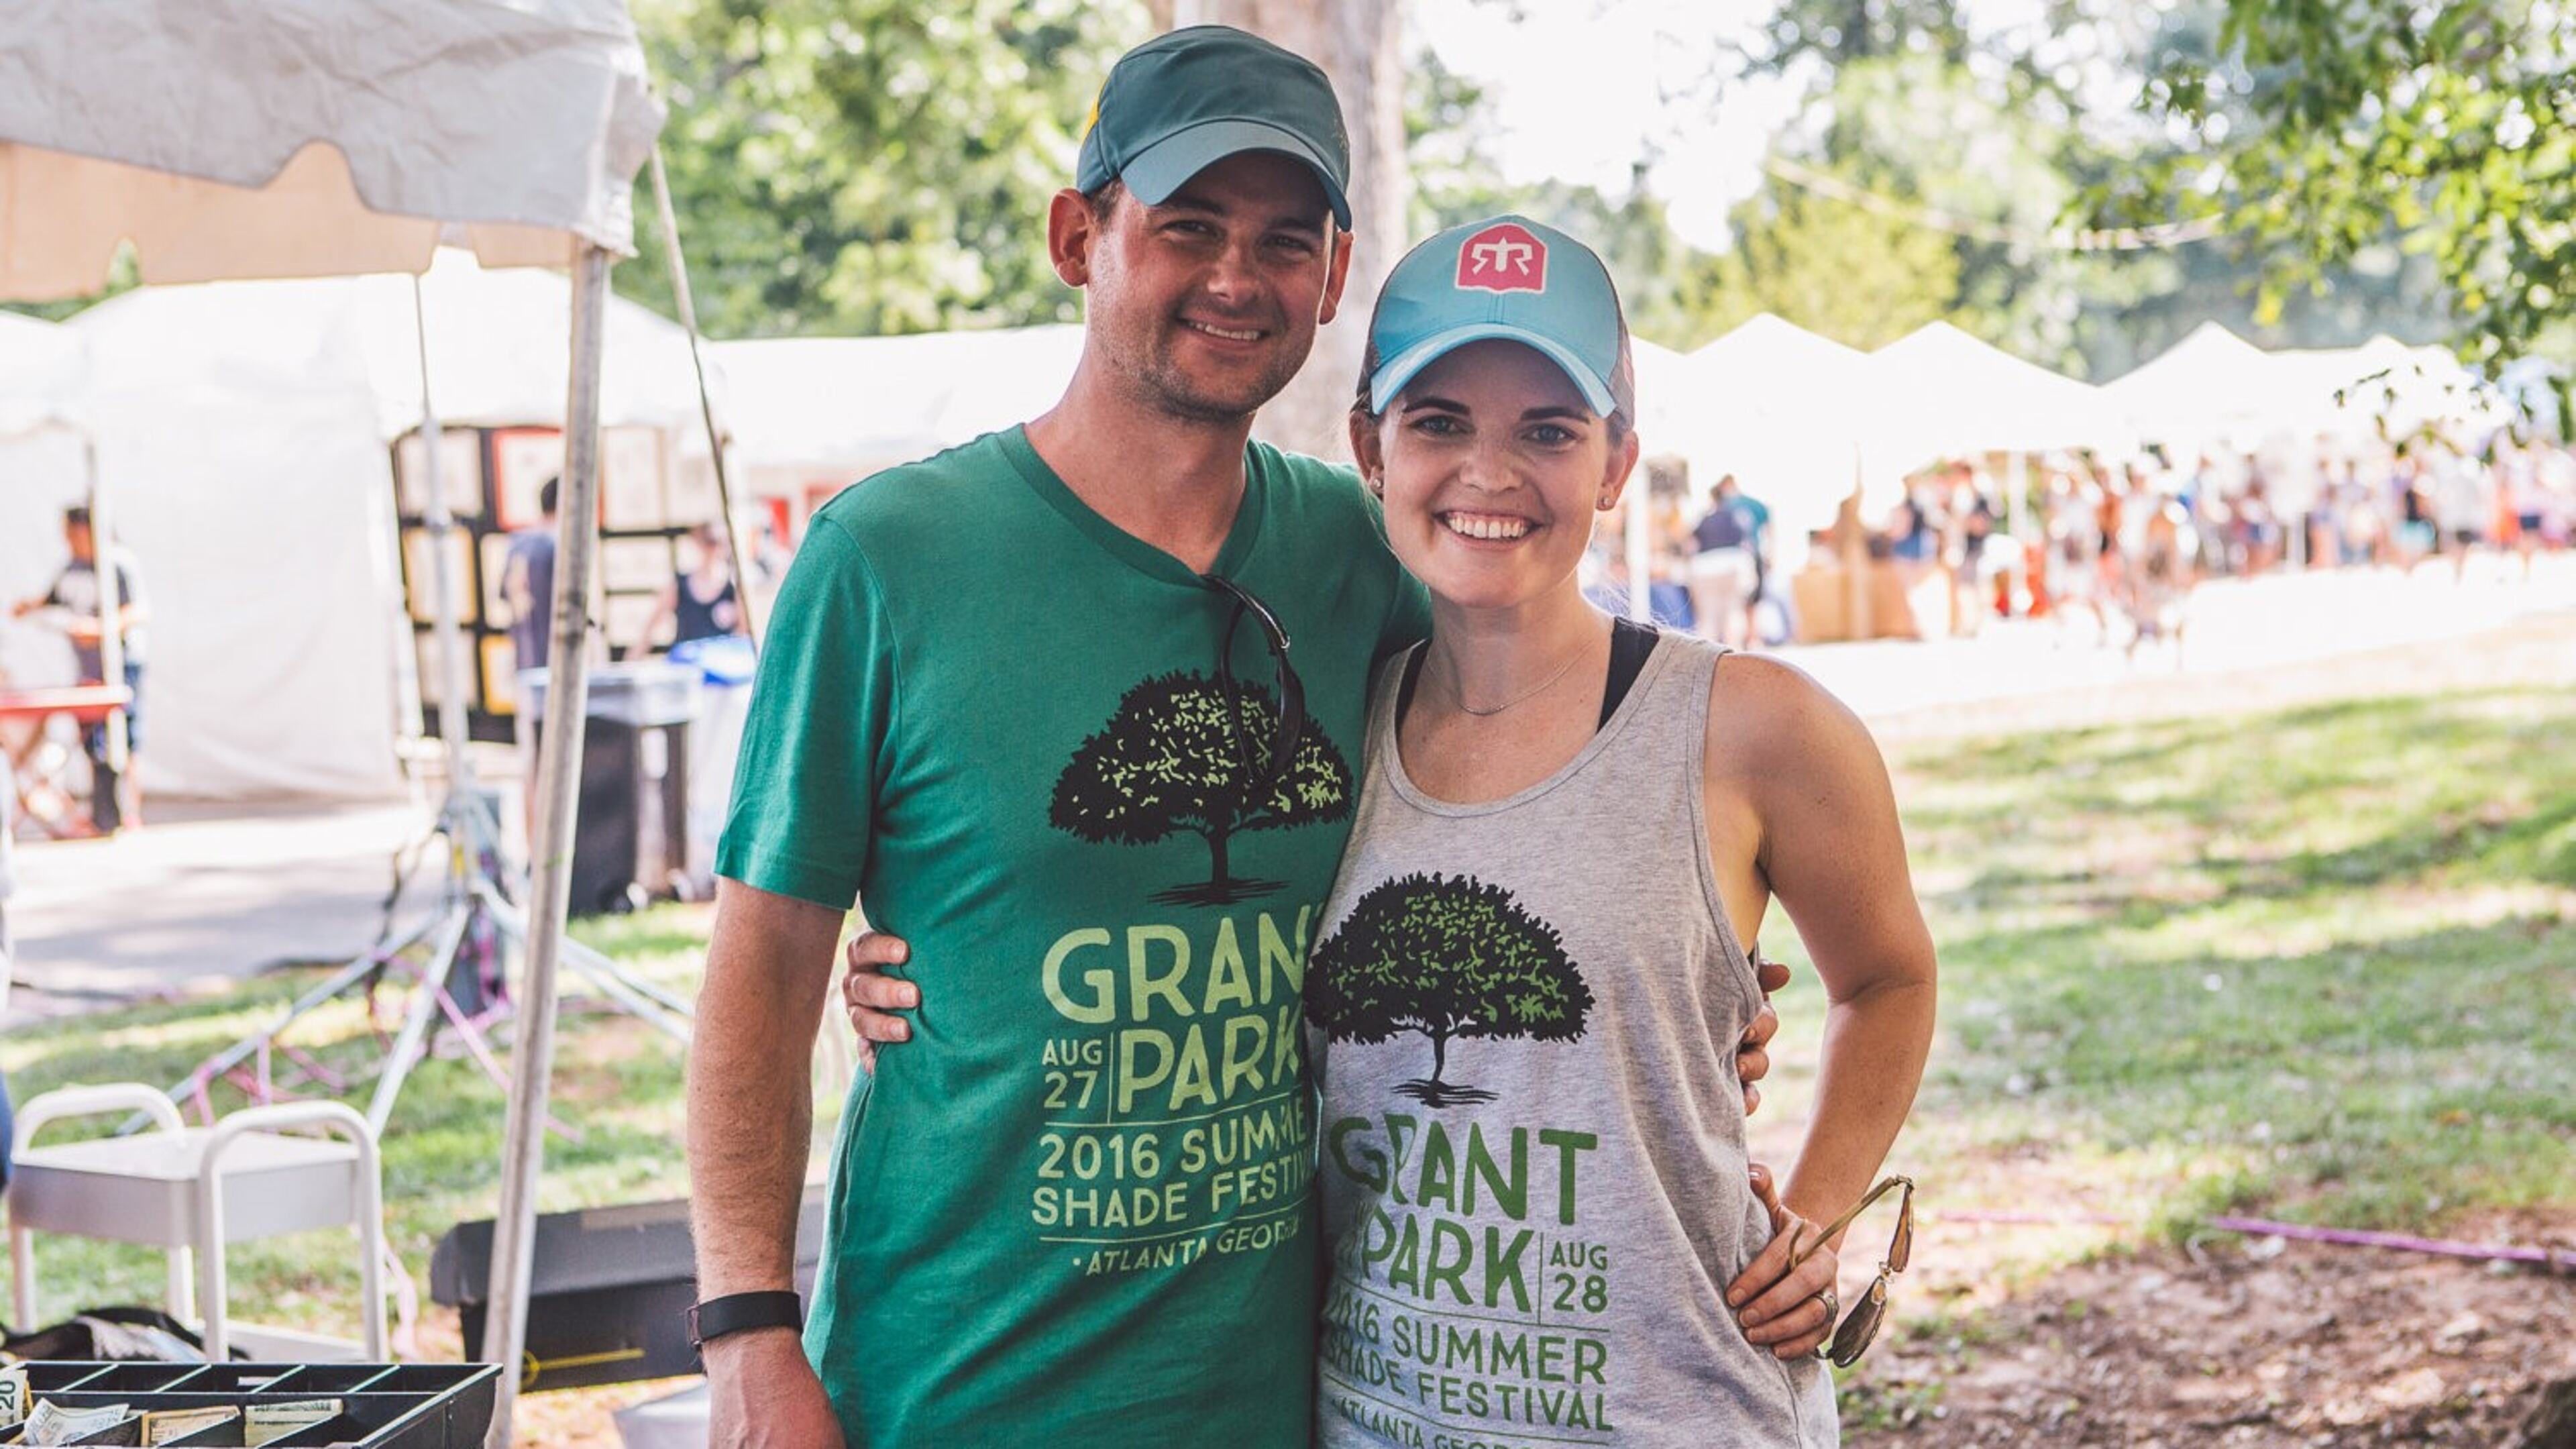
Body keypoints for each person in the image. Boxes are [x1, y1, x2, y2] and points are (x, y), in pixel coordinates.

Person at [713, 32, 1780, 1447]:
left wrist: (1692, 990)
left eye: (1285, 240)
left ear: (1333, 279)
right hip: (952, 1388)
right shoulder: (888, 559)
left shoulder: (1361, 553)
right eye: (1189, 226)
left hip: (1273, 1400)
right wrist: (746, 1336)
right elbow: (764, 960)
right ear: (1077, 237)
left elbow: (1531, 779)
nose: (1236, 276)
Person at [1303, 217, 1935, 1445]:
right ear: (1371, 448)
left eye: (1548, 430)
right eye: (1439, 422)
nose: (1490, 472)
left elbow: (1890, 978)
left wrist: (1818, 1214)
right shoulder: (1331, 734)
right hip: (1376, 1417)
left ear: (1615, 463)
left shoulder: (1751, 727)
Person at [9, 506, 148, 833]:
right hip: (87, 665)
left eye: (73, 533)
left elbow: (139, 610)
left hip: (122, 664)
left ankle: (130, 811)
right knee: (92, 739)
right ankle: (103, 810)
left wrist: (100, 629)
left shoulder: (118, 563)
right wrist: (30, 607)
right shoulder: (72, 566)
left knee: (125, 739)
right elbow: (53, 599)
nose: (69, 540)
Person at [643, 521, 745, 651]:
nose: (715, 549)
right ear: (697, 543)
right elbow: (652, 626)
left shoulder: (734, 588)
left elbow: (744, 633)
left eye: (721, 543)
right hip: (687, 660)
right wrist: (632, 659)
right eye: (709, 542)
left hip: (721, 659)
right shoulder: (679, 585)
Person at [1688, 474, 1762, 647]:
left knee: (1708, 617)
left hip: (1705, 567)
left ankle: (1706, 656)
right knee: (1733, 612)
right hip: (1732, 565)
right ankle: (1734, 653)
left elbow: (1691, 544)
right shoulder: (1737, 516)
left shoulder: (1704, 519)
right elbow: (1747, 543)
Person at [499, 477, 560, 675]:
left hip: (524, 655)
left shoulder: (518, 541)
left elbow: (505, 592)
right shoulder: (555, 545)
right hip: (553, 655)